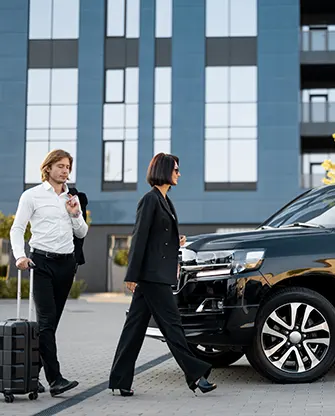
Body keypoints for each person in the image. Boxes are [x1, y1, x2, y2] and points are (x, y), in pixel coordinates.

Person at [108, 153, 217, 396]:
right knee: (172, 326)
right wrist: (131, 274)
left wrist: (173, 241)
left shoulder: (164, 200)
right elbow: (139, 238)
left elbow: (157, 237)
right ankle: (197, 375)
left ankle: (119, 380)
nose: (179, 174)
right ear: (165, 171)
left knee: (134, 328)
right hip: (151, 276)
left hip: (157, 274)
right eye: (176, 169)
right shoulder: (150, 200)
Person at [10, 149, 88, 397]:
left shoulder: (72, 198)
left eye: (68, 167)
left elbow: (82, 233)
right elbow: (17, 228)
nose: (65, 171)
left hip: (66, 265)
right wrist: (20, 256)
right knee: (45, 321)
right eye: (61, 166)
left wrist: (75, 213)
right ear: (48, 168)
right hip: (40, 263)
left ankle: (31, 375)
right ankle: (56, 380)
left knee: (50, 325)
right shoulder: (32, 196)